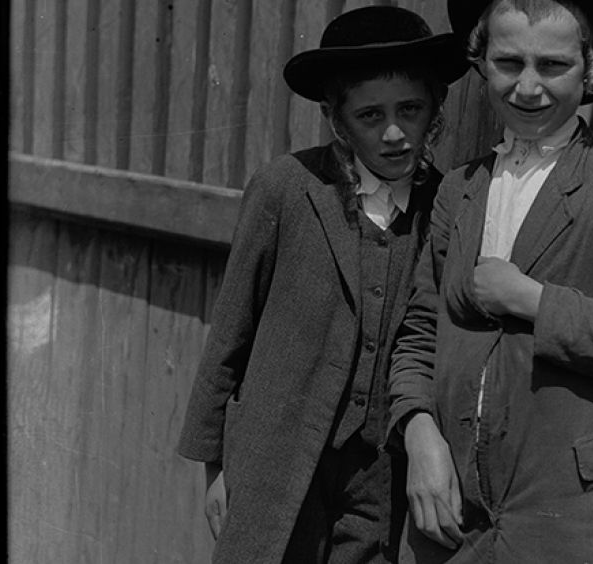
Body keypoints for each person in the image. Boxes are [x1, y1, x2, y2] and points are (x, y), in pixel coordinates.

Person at [385, 0, 593, 562]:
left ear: (592, 69)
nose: (528, 88)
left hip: (572, 513)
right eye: (508, 63)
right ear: (481, 64)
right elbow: (419, 335)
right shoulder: (460, 189)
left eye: (552, 66)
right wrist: (418, 430)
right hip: (455, 513)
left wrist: (533, 301)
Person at [175, 7, 469, 563]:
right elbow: (230, 334)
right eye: (368, 115)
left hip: (381, 472)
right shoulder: (286, 188)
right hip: (280, 456)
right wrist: (215, 467)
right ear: (337, 121)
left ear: (434, 111)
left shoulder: (449, 204)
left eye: (410, 110)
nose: (392, 133)